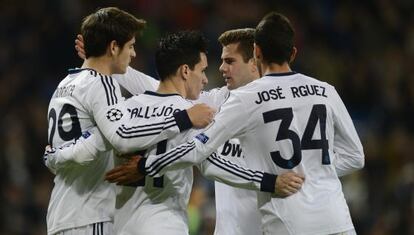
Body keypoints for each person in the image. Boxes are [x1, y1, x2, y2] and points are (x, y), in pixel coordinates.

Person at [138, 12, 365, 235]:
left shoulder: (248, 97)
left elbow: (199, 148)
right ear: (293, 53)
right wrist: (313, 170)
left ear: (257, 52)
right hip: (337, 220)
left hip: (289, 221)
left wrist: (145, 165)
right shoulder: (325, 90)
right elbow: (355, 156)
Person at [44, 7, 214, 235]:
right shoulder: (102, 84)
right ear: (114, 47)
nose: (133, 54)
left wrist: (56, 156)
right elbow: (122, 135)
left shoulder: (64, 84)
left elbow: (75, 149)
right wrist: (183, 118)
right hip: (90, 213)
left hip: (61, 212)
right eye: (131, 46)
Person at [213, 28, 262, 235]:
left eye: (230, 61)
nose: (222, 68)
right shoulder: (217, 100)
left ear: (253, 62)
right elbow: (163, 91)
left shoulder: (279, 104)